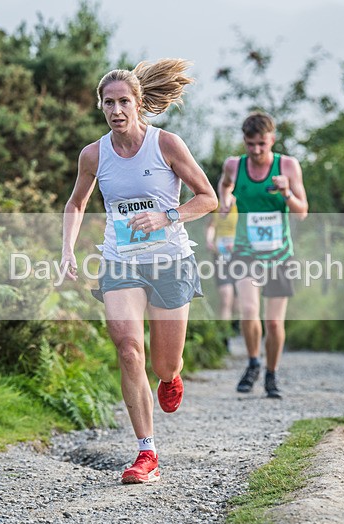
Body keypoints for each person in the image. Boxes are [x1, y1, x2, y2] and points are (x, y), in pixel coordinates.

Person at [61, 59, 217, 484]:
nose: (116, 110)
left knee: (165, 364)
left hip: (170, 261)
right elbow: (76, 203)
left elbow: (208, 198)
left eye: (123, 101)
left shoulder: (166, 145)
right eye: (108, 103)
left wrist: (167, 216)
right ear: (101, 106)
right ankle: (146, 453)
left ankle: (172, 375)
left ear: (140, 102)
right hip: (121, 262)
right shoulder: (93, 155)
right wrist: (67, 249)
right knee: (129, 348)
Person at [218, 111, 308, 398]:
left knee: (273, 322)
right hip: (245, 251)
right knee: (247, 310)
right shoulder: (234, 165)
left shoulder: (289, 166)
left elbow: (302, 212)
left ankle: (271, 373)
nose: (256, 151)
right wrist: (224, 201)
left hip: (279, 254)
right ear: (244, 141)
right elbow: (224, 183)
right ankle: (254, 362)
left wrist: (286, 194)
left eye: (262, 144)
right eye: (250, 144)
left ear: (272, 140)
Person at [204, 186, 239, 345]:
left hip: (239, 256)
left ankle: (241, 331)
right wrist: (209, 241)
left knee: (239, 303)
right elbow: (211, 226)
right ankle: (225, 339)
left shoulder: (241, 205)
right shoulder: (216, 206)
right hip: (220, 255)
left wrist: (237, 242)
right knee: (226, 297)